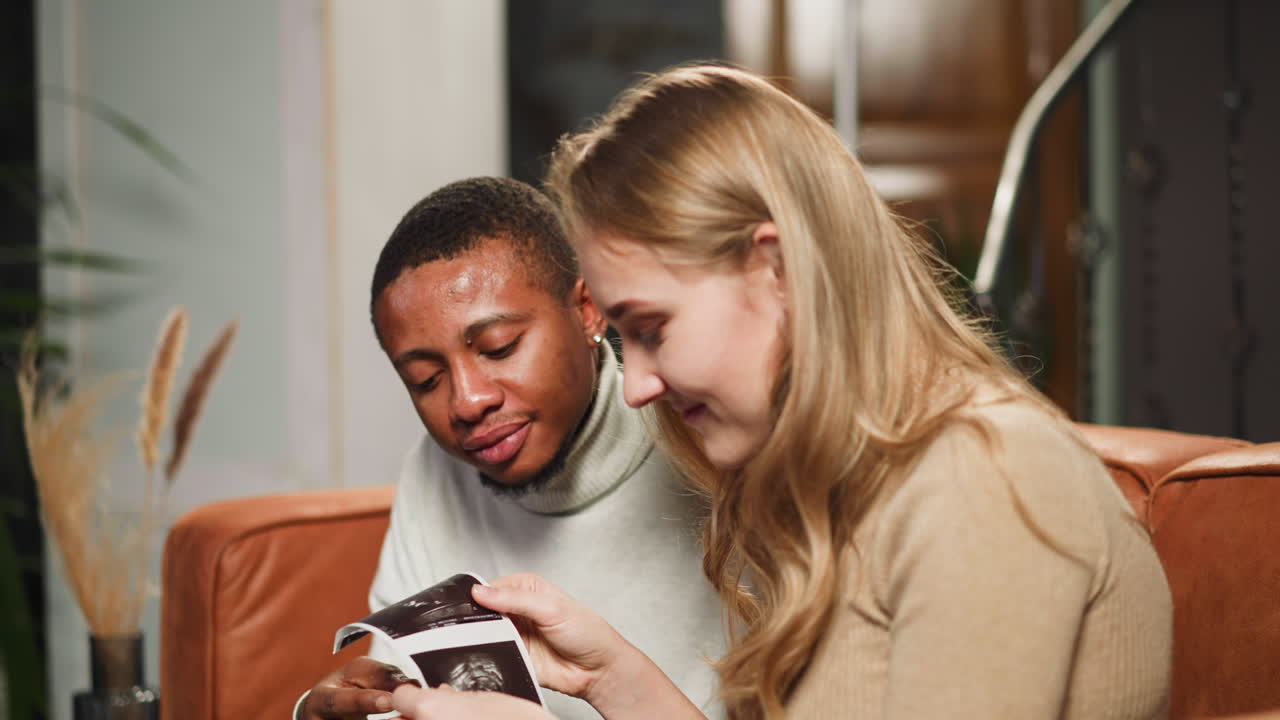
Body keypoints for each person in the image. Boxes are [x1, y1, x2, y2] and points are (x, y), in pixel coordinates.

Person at [390, 65, 1173, 719]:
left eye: (651, 327)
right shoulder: (840, 487)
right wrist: (611, 679)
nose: (636, 385)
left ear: (777, 270)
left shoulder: (985, 479)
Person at [295, 177, 725, 719]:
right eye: (426, 380)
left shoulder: (712, 440)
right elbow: (402, 700)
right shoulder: (434, 474)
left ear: (588, 309)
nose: (467, 402)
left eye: (500, 348)